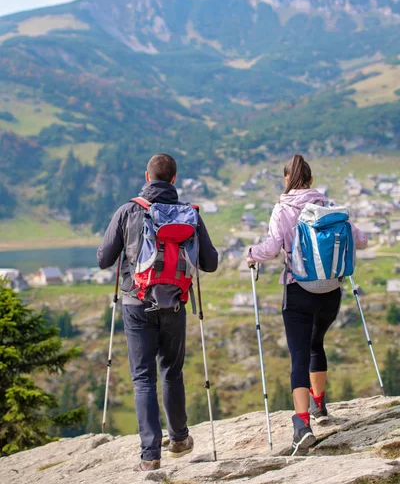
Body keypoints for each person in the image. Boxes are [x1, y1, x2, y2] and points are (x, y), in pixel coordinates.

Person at [97, 153, 218, 471]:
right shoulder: (189, 214)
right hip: (175, 303)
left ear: (147, 177)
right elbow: (211, 262)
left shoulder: (129, 210)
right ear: (174, 180)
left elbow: (104, 259)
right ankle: (179, 439)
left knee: (143, 379)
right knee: (172, 372)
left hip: (137, 303)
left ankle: (150, 456)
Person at [247, 154, 367, 456]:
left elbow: (272, 249)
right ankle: (319, 404)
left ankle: (302, 426)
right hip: (330, 291)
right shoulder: (329, 207)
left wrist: (251, 253)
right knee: (317, 344)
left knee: (299, 354)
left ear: (287, 180)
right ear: (311, 181)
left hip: (298, 290)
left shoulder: (282, 209)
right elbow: (361, 240)